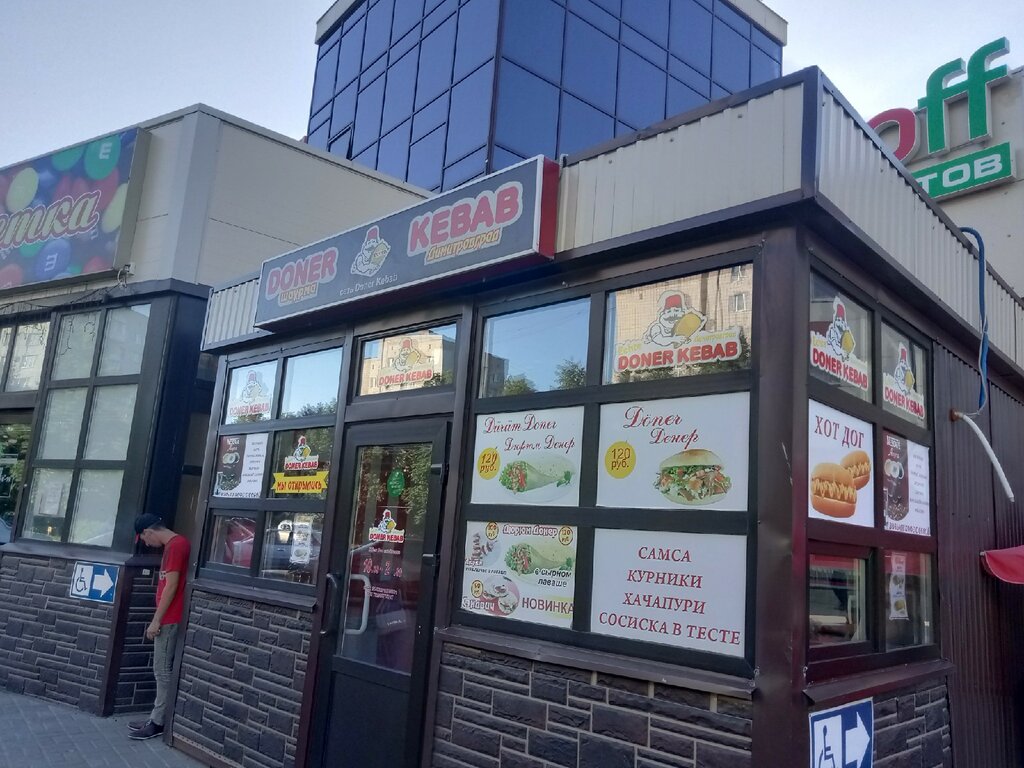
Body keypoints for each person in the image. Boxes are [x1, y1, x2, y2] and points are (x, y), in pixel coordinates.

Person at [127, 513, 191, 740]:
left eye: (144, 538)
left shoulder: (175, 546)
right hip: (169, 616)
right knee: (161, 670)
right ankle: (155, 716)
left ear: (149, 532)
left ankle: (158, 722)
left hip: (170, 618)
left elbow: (171, 586)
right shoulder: (175, 545)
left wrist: (156, 620)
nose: (146, 544)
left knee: (161, 670)